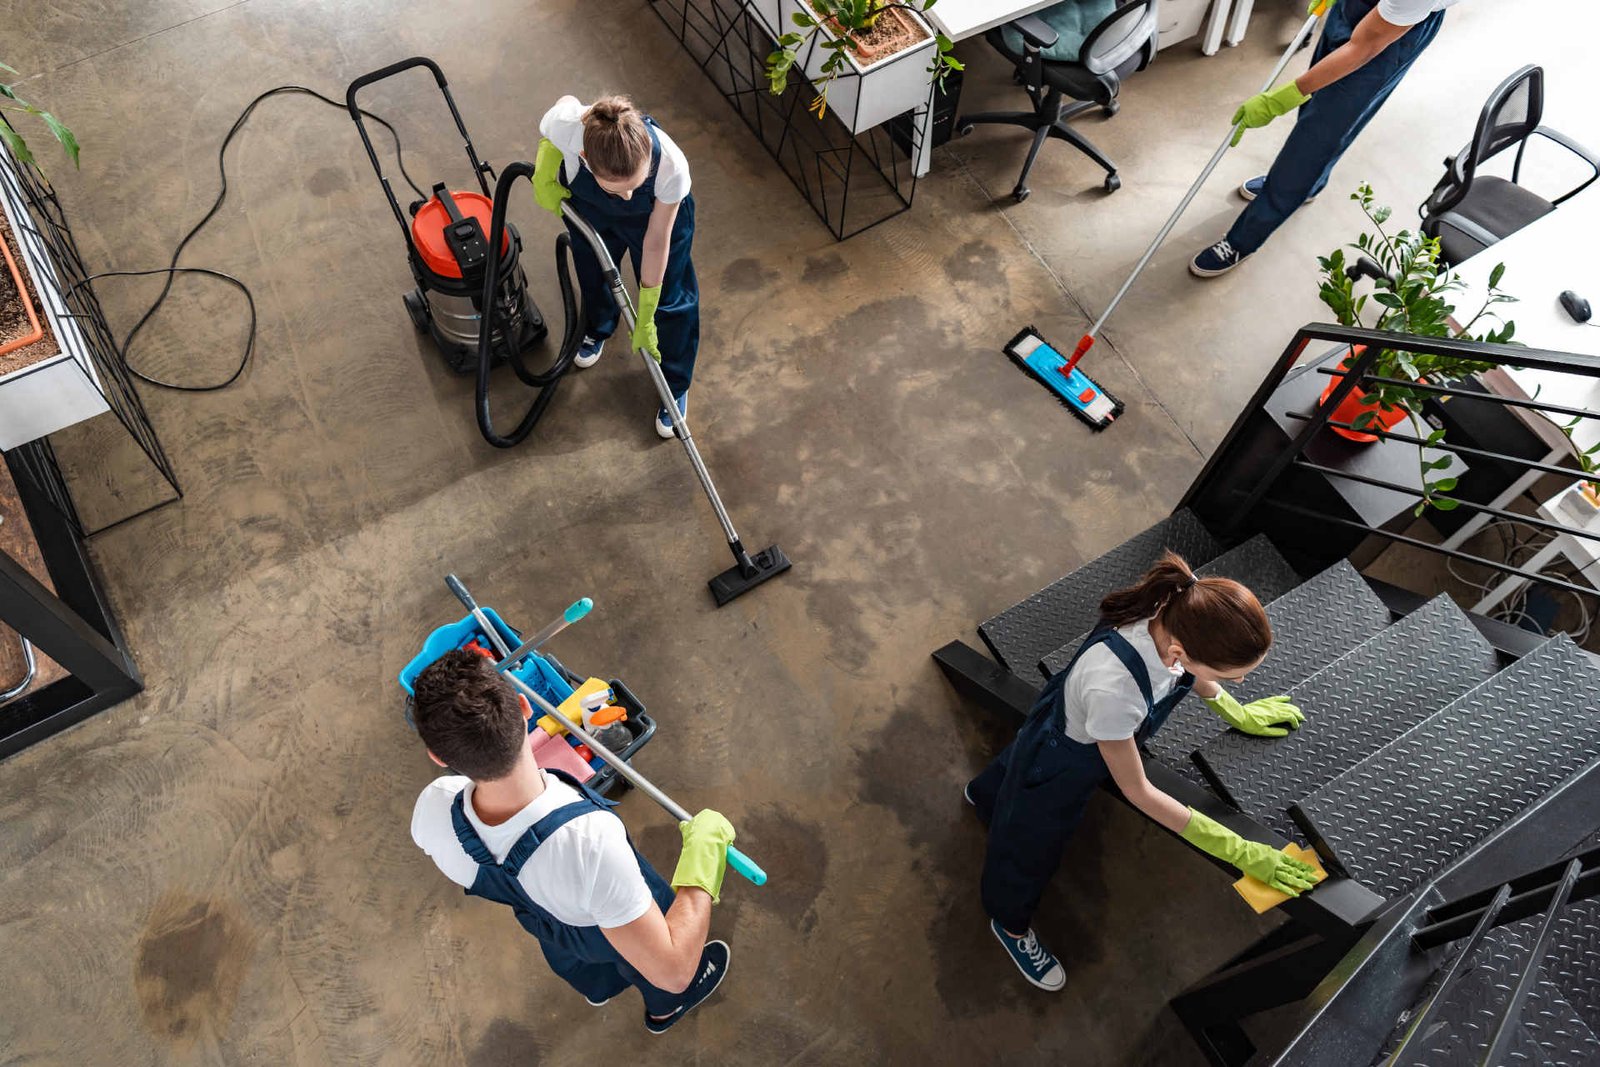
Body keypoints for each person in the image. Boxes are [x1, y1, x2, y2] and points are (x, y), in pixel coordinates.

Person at [966, 552, 1318, 990]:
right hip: (1064, 760)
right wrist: (1240, 851)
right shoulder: (1117, 692)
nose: (1240, 682)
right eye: (1232, 677)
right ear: (1180, 652)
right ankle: (1008, 921)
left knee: (1019, 762)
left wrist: (1237, 712)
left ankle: (984, 795)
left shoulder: (1179, 605)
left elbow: (1190, 671)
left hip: (1071, 717)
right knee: (1029, 844)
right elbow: (1140, 792)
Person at [409, 649, 733, 1033]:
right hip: (595, 916)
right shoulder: (590, 843)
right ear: (525, 707)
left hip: (547, 920)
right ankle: (665, 1010)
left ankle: (599, 986)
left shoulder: (433, 807)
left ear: (438, 757)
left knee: (573, 949)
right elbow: (674, 970)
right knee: (643, 946)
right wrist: (705, 855)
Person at [1190, 0, 1455, 277]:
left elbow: (1363, 47)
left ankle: (1242, 240)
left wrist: (1281, 99)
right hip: (1366, 9)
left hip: (1393, 35)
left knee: (1314, 141)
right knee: (1318, 108)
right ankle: (1309, 186)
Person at [531, 94, 699, 438]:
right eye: (618, 189)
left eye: (633, 186)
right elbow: (558, 113)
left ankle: (674, 383)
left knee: (669, 297)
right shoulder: (568, 127)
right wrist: (545, 170)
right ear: (584, 158)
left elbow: (656, 241)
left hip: (655, 218)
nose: (627, 196)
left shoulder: (672, 167)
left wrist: (646, 311)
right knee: (592, 268)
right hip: (592, 207)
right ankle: (598, 326)